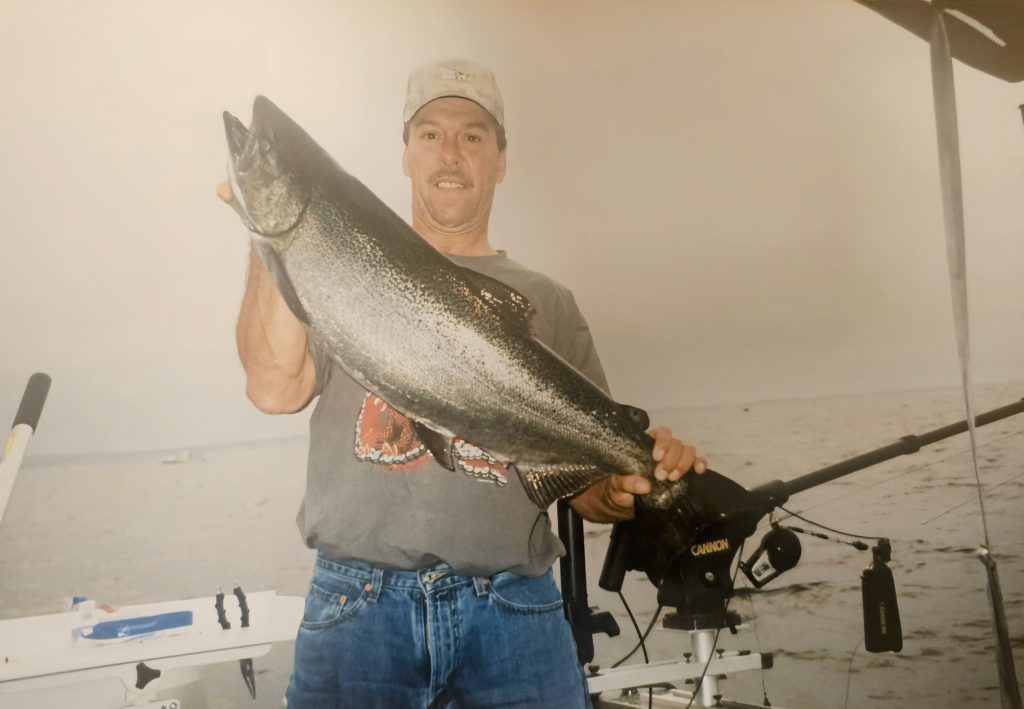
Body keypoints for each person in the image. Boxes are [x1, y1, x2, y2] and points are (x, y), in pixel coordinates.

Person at [221, 59, 707, 709]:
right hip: (358, 611)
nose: (450, 152)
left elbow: (583, 488)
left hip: (513, 611)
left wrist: (624, 489)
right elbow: (273, 390)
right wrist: (265, 228)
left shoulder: (549, 301)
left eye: (472, 135)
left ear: (500, 160)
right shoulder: (333, 268)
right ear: (406, 154)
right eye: (430, 134)